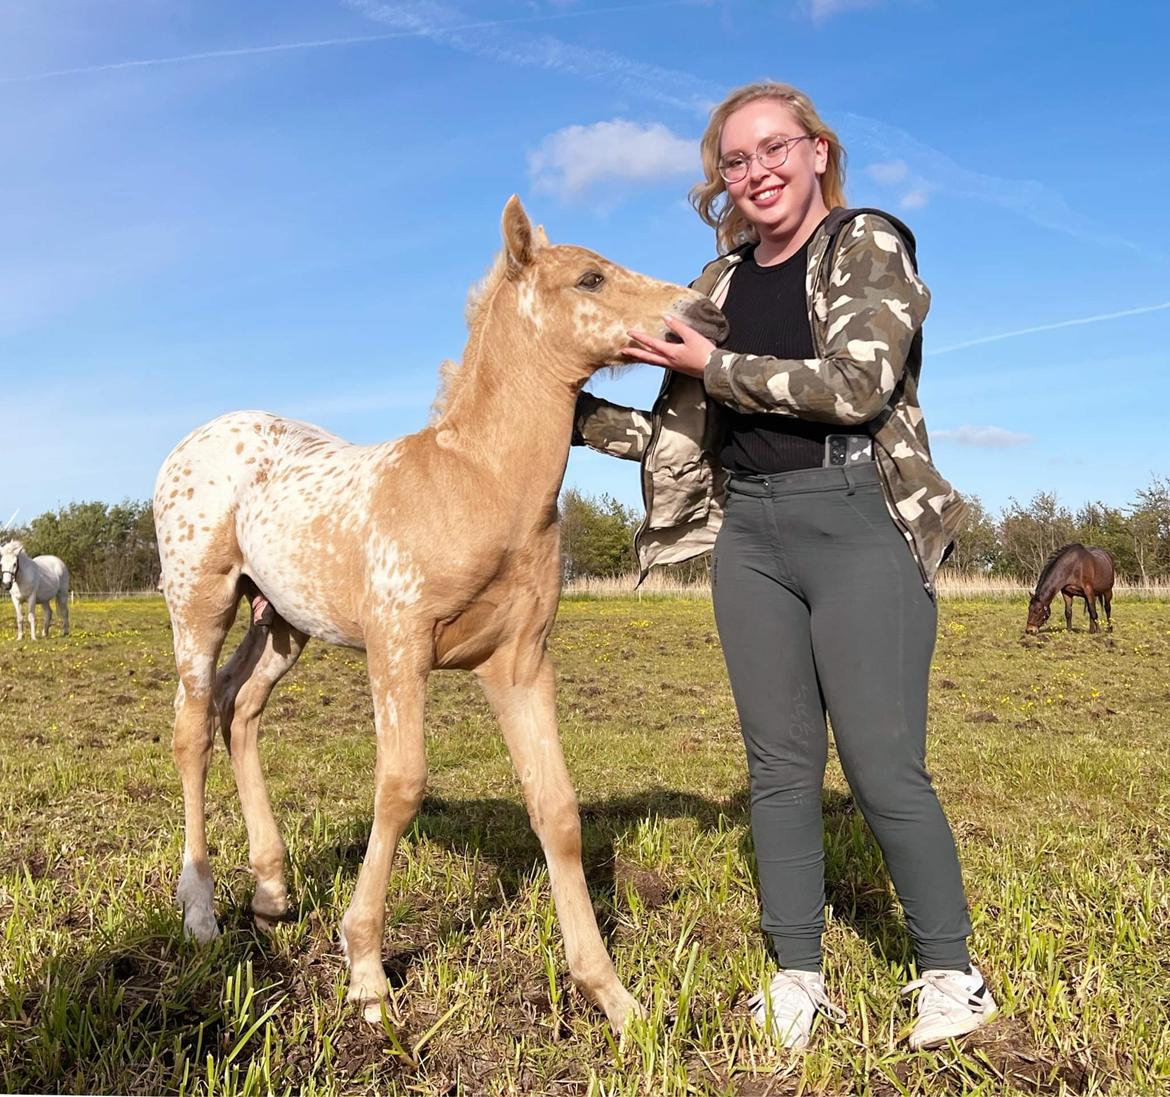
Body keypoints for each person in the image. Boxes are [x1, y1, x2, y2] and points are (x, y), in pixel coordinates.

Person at [572, 81, 996, 1051]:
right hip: (750, 537)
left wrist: (706, 367)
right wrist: (572, 413)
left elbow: (857, 384)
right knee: (778, 768)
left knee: (884, 765)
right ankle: (797, 972)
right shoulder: (716, 288)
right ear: (720, 180)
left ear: (816, 152)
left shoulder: (866, 243)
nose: (755, 170)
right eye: (735, 158)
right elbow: (684, 437)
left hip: (860, 522)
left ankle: (950, 972)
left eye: (774, 148)